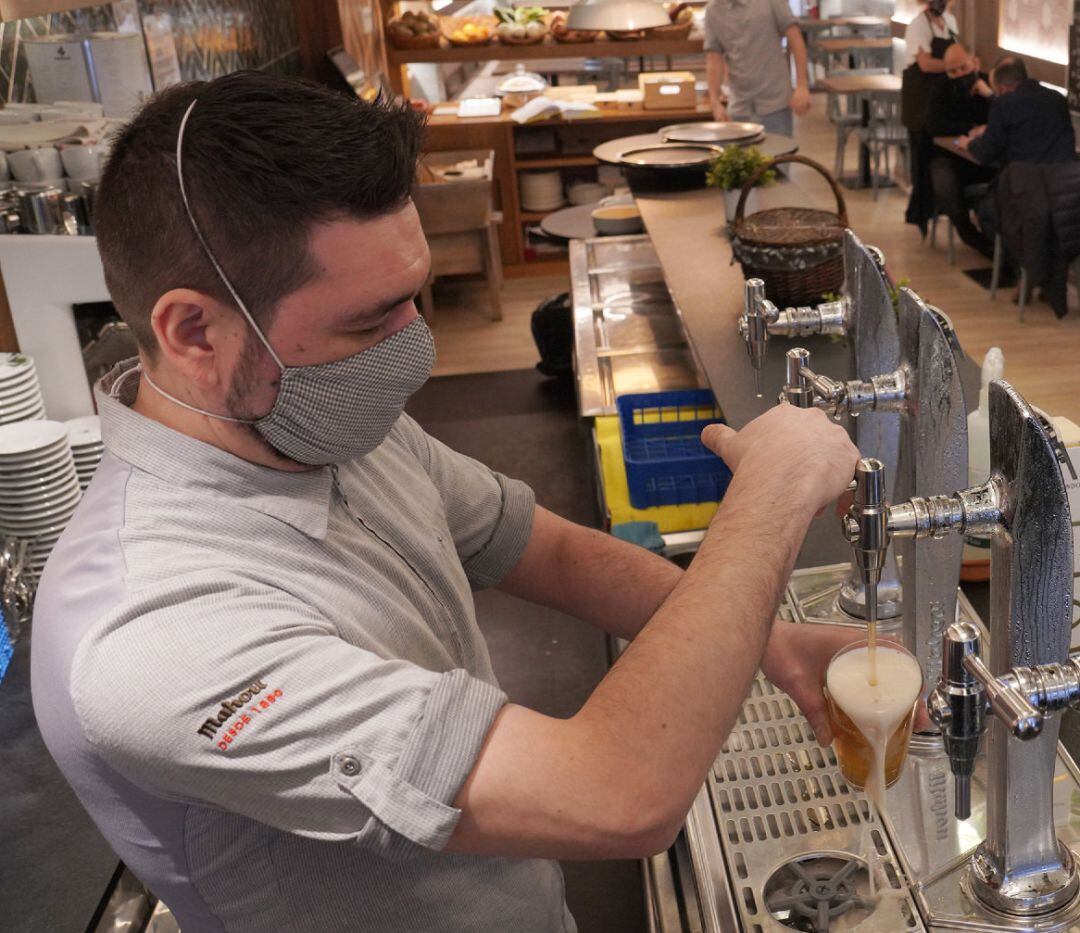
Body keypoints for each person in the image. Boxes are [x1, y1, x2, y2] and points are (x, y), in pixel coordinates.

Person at [31, 73, 862, 932]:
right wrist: (769, 495)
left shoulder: (314, 423)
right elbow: (618, 792)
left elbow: (543, 548)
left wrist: (771, 640)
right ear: (194, 332)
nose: (415, 352)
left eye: (415, 299)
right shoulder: (148, 634)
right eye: (369, 322)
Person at [924, 43, 995, 257]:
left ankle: (1001, 248)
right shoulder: (940, 87)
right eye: (952, 71)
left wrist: (989, 95)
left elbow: (1005, 120)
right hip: (949, 157)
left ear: (975, 63)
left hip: (985, 158)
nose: (958, 75)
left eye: (963, 68)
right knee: (944, 183)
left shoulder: (987, 85)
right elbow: (934, 125)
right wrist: (972, 128)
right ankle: (973, 238)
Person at [704, 0, 811, 138]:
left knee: (779, 157)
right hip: (739, 106)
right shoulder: (713, 10)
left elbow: (795, 38)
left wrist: (802, 85)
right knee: (740, 158)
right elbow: (714, 57)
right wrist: (714, 101)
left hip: (775, 103)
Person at [901, 0, 959, 234]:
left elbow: (954, 56)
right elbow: (925, 64)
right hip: (919, 104)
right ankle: (921, 214)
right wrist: (955, 64)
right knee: (921, 158)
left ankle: (943, 207)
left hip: (942, 103)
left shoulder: (951, 22)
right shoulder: (918, 25)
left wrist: (953, 64)